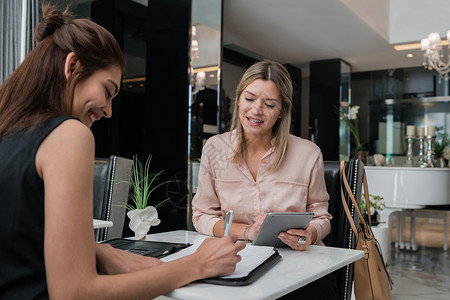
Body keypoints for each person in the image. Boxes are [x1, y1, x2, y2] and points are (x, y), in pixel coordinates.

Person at [0, 4, 244, 299]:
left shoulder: (8, 131)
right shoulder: (68, 135)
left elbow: (19, 232)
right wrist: (197, 264)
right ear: (72, 65)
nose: (108, 111)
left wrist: (98, 250)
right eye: (107, 90)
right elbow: (75, 293)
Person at [192, 60, 332, 250]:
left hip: (295, 261)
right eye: (249, 99)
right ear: (239, 100)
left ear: (281, 110)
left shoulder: (309, 154)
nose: (256, 110)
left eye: (269, 104)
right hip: (236, 257)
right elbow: (202, 217)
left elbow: (321, 219)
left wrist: (310, 234)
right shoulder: (215, 148)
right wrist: (247, 232)